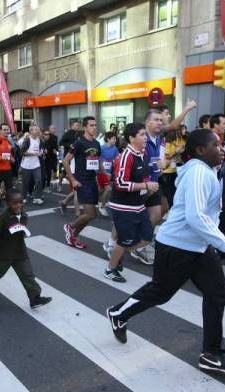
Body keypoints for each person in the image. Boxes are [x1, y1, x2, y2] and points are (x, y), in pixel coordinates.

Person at [106, 129, 225, 375]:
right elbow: (195, 216)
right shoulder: (198, 173)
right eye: (216, 144)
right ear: (201, 150)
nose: (222, 148)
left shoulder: (206, 171)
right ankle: (118, 312)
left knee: (217, 294)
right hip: (177, 246)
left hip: (199, 247)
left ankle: (211, 354)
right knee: (161, 292)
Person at [104, 123, 158, 283]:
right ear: (131, 138)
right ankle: (110, 269)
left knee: (147, 236)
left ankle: (117, 253)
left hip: (138, 205)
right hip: (122, 206)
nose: (145, 138)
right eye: (142, 135)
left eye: (145, 135)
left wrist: (149, 188)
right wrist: (145, 186)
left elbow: (145, 177)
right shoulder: (125, 156)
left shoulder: (143, 154)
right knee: (125, 239)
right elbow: (120, 183)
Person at [0, 188, 52, 308]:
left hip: (20, 251)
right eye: (15, 203)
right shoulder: (2, 218)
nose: (19, 205)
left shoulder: (24, 215)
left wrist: (23, 231)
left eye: (20, 202)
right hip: (4, 253)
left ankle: (34, 298)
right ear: (8, 204)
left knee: (28, 275)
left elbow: (21, 230)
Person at [62, 116, 105, 249]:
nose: (94, 128)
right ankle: (70, 227)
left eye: (95, 125)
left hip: (92, 181)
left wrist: (104, 175)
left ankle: (73, 236)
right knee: (91, 213)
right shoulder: (79, 142)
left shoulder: (97, 144)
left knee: (91, 215)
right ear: (85, 127)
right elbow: (65, 161)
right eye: (91, 125)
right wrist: (73, 180)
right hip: (82, 181)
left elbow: (97, 162)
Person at [18, 124, 44, 205]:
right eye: (36, 129)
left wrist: (41, 152)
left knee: (39, 180)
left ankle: (37, 197)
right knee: (25, 182)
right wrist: (33, 154)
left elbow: (41, 149)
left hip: (36, 164)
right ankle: (23, 197)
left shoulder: (39, 140)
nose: (38, 131)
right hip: (26, 165)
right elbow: (22, 152)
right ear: (31, 131)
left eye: (38, 129)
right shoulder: (27, 140)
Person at [98, 131, 119, 216]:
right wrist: (103, 171)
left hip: (110, 173)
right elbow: (98, 160)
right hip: (100, 172)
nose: (115, 140)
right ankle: (101, 206)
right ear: (108, 139)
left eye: (115, 138)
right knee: (107, 189)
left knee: (107, 190)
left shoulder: (115, 149)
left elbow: (117, 159)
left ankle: (101, 203)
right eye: (113, 138)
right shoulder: (101, 148)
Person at [42, 126, 59, 193]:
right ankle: (44, 186)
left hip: (52, 158)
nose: (47, 135)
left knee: (51, 171)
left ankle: (49, 185)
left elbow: (56, 147)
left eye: (48, 134)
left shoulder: (54, 139)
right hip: (44, 159)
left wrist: (55, 150)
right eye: (46, 134)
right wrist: (43, 151)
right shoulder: (41, 141)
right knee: (45, 173)